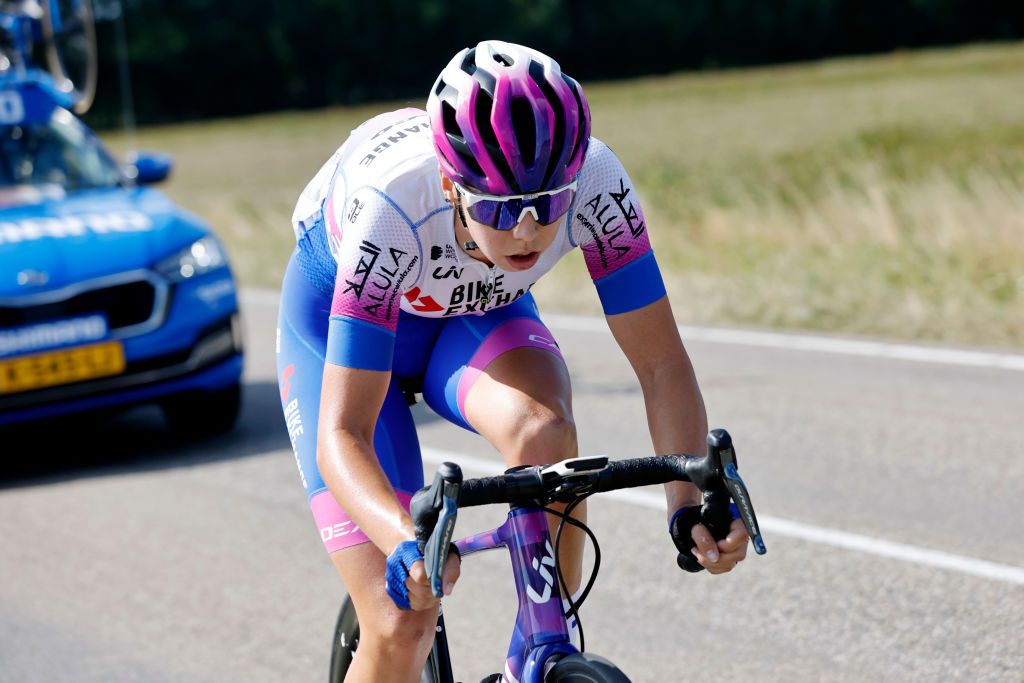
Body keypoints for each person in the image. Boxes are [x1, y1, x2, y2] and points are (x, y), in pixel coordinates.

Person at [276, 39, 749, 682]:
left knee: (545, 434)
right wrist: (402, 539)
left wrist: (687, 503)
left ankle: (545, 644)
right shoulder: (391, 208)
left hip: (474, 308)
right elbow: (342, 434)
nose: (527, 231)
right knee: (400, 618)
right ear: (450, 182)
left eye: (549, 203)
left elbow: (662, 365)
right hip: (342, 326)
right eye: (500, 208)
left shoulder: (598, 181)